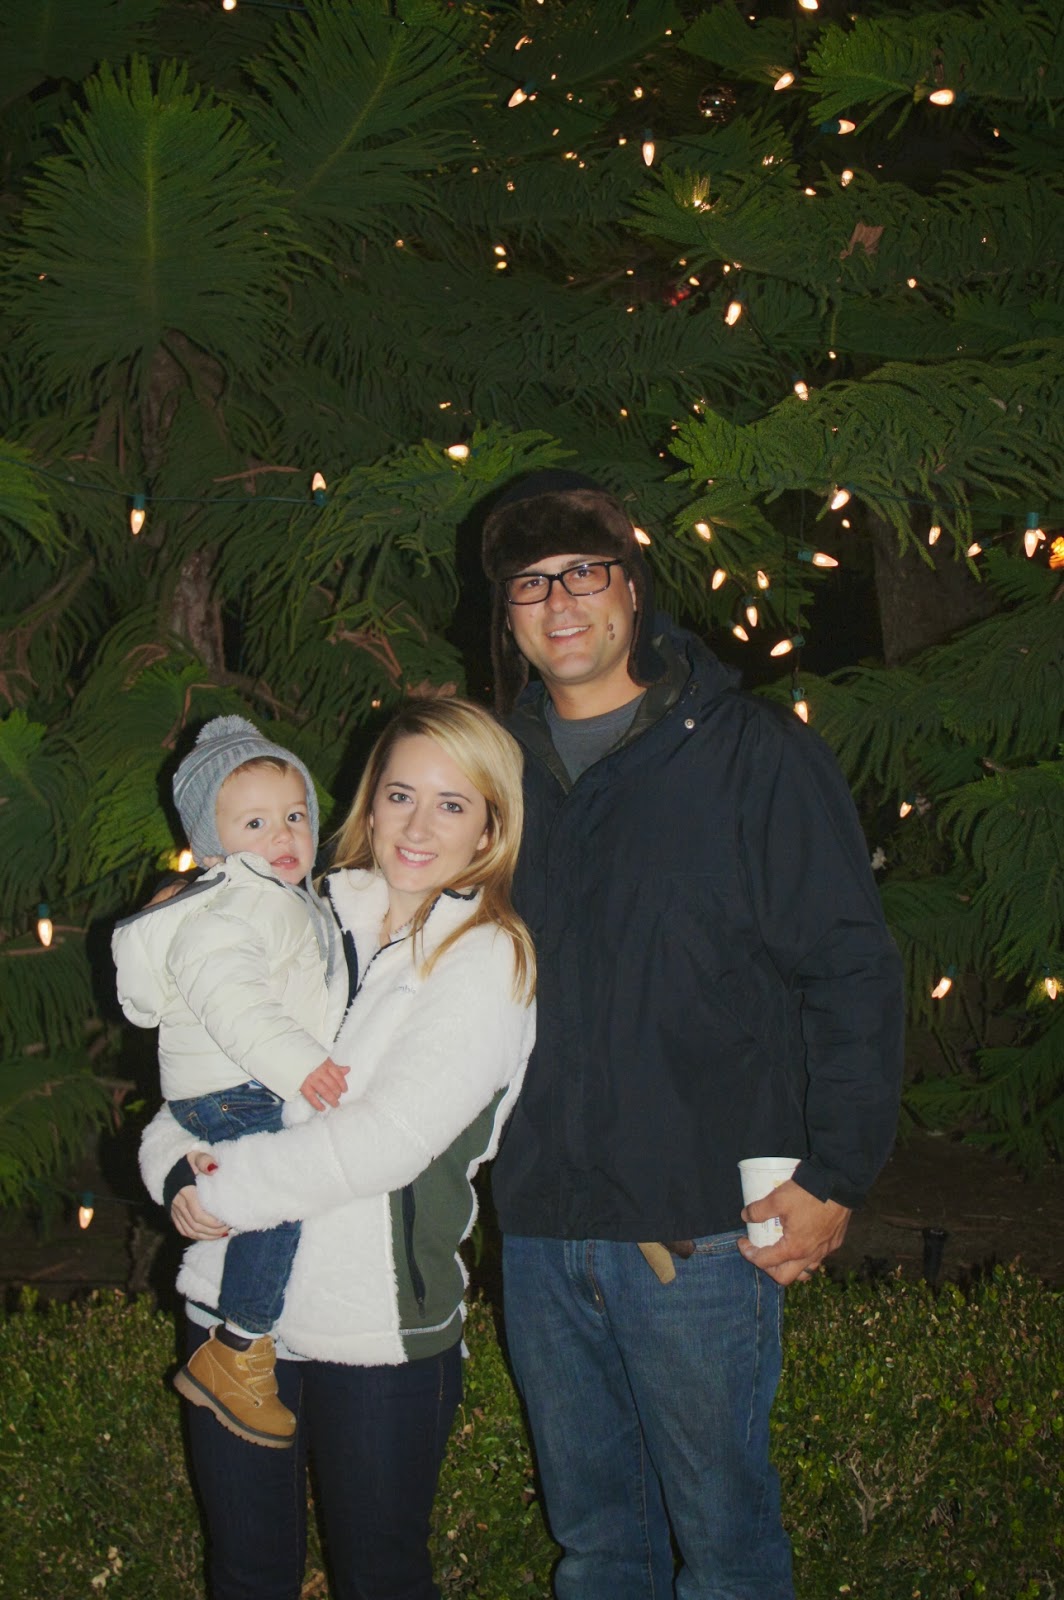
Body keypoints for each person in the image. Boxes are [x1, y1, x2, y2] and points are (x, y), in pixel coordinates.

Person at [480, 471, 905, 1599]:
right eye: (531, 582)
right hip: (539, 1227)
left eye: (585, 572)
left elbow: (850, 966)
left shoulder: (745, 752)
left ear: (633, 586)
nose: (560, 601)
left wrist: (835, 1173)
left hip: (702, 1229)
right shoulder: (486, 772)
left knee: (723, 1548)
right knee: (594, 1546)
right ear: (506, 616)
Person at [137, 697, 535, 1600]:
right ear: (368, 800)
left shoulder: (488, 958)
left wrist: (223, 1191)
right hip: (231, 1313)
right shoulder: (292, 912)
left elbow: (383, 1143)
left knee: (379, 1577)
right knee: (246, 1574)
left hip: (374, 1334)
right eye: (400, 795)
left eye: (451, 804)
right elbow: (195, 1075)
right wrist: (172, 1169)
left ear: (490, 826)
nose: (417, 827)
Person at [112, 715, 349, 1448]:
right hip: (240, 1085)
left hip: (228, 1085)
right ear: (211, 844)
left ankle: (240, 1345)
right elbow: (234, 1003)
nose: (284, 834)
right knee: (279, 1193)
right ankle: (239, 1347)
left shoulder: (282, 899)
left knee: (275, 1189)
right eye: (256, 823)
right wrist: (301, 1066)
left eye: (295, 815)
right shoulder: (236, 903)